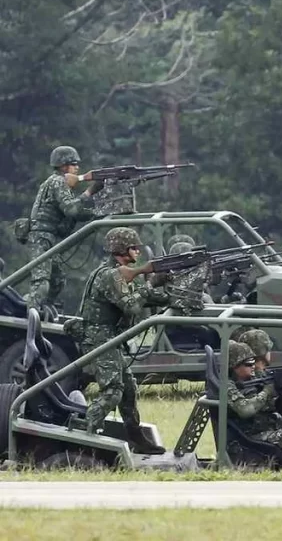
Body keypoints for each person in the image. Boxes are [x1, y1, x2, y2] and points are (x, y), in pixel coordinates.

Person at [80, 227, 168, 454]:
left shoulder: (118, 272)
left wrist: (171, 292)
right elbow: (131, 305)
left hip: (108, 338)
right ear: (120, 250)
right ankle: (87, 439)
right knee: (113, 391)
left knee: (128, 389)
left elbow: (143, 297)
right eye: (133, 247)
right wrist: (150, 284)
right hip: (100, 338)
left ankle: (137, 439)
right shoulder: (110, 275)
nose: (138, 251)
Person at [25, 146, 102, 319]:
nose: (77, 168)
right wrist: (92, 201)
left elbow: (71, 209)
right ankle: (31, 315)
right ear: (63, 166)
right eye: (73, 164)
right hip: (41, 237)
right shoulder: (57, 181)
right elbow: (72, 210)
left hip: (49, 237)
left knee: (58, 280)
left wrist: (91, 198)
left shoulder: (56, 182)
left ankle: (45, 309)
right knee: (42, 281)